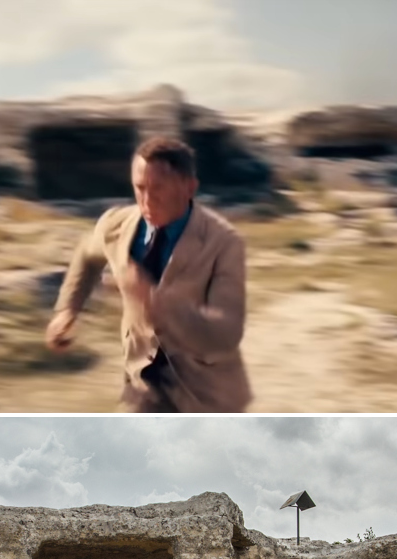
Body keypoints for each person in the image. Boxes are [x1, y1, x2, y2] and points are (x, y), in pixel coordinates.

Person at [45, 136, 251, 412]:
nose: (146, 200)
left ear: (189, 188)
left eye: (158, 188)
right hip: (141, 384)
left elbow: (226, 332)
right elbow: (86, 254)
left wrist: (153, 301)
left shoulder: (224, 243)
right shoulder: (116, 226)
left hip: (206, 394)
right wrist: (67, 310)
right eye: (139, 187)